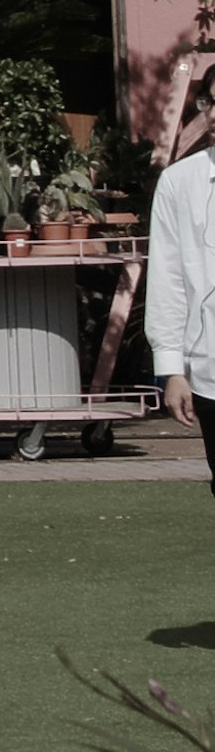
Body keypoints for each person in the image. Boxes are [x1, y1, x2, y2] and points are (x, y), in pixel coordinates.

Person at [152, 101, 215, 484]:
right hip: (210, 373)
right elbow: (167, 279)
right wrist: (171, 370)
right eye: (213, 102)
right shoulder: (180, 181)